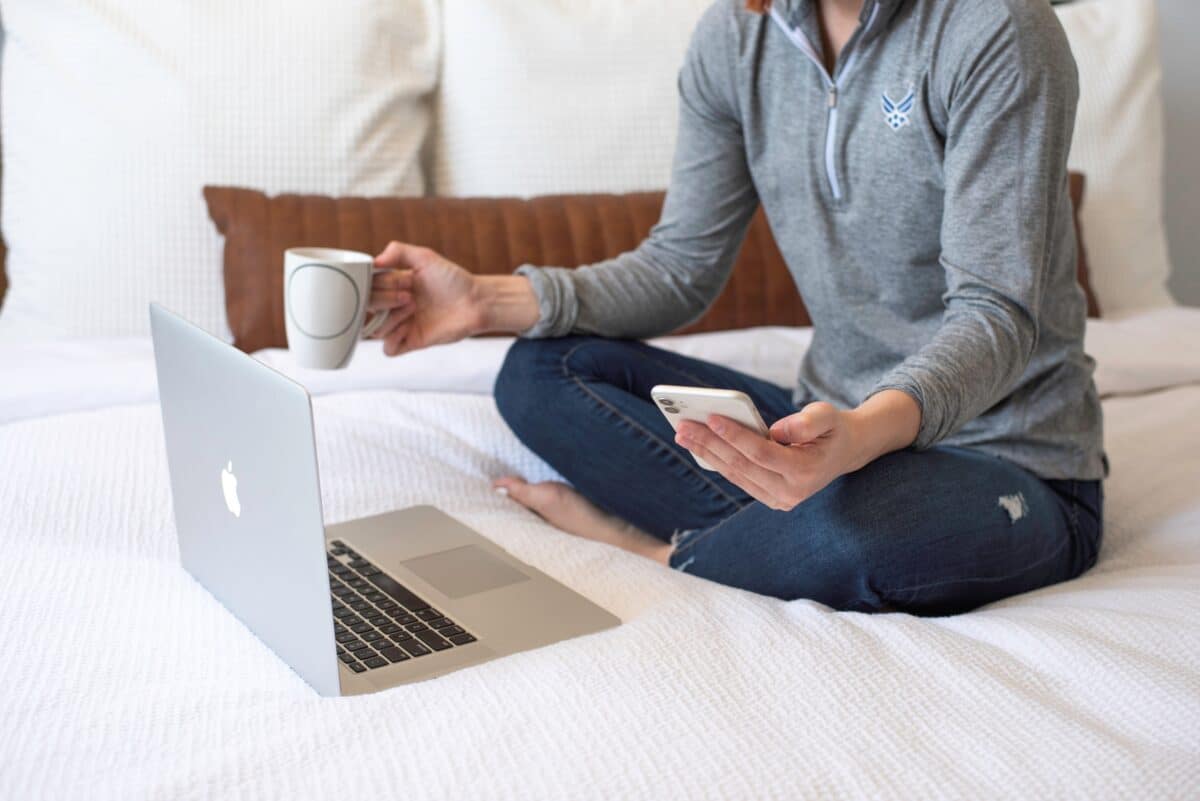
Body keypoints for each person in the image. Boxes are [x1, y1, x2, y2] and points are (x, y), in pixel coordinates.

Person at [366, 0, 1105, 615]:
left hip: (1009, 459)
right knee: (540, 368)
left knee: (863, 532)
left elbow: (996, 314)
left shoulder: (999, 30)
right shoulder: (737, 38)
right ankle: (772, 539)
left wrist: (860, 437)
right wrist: (484, 301)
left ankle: (659, 552)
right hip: (827, 434)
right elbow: (681, 265)